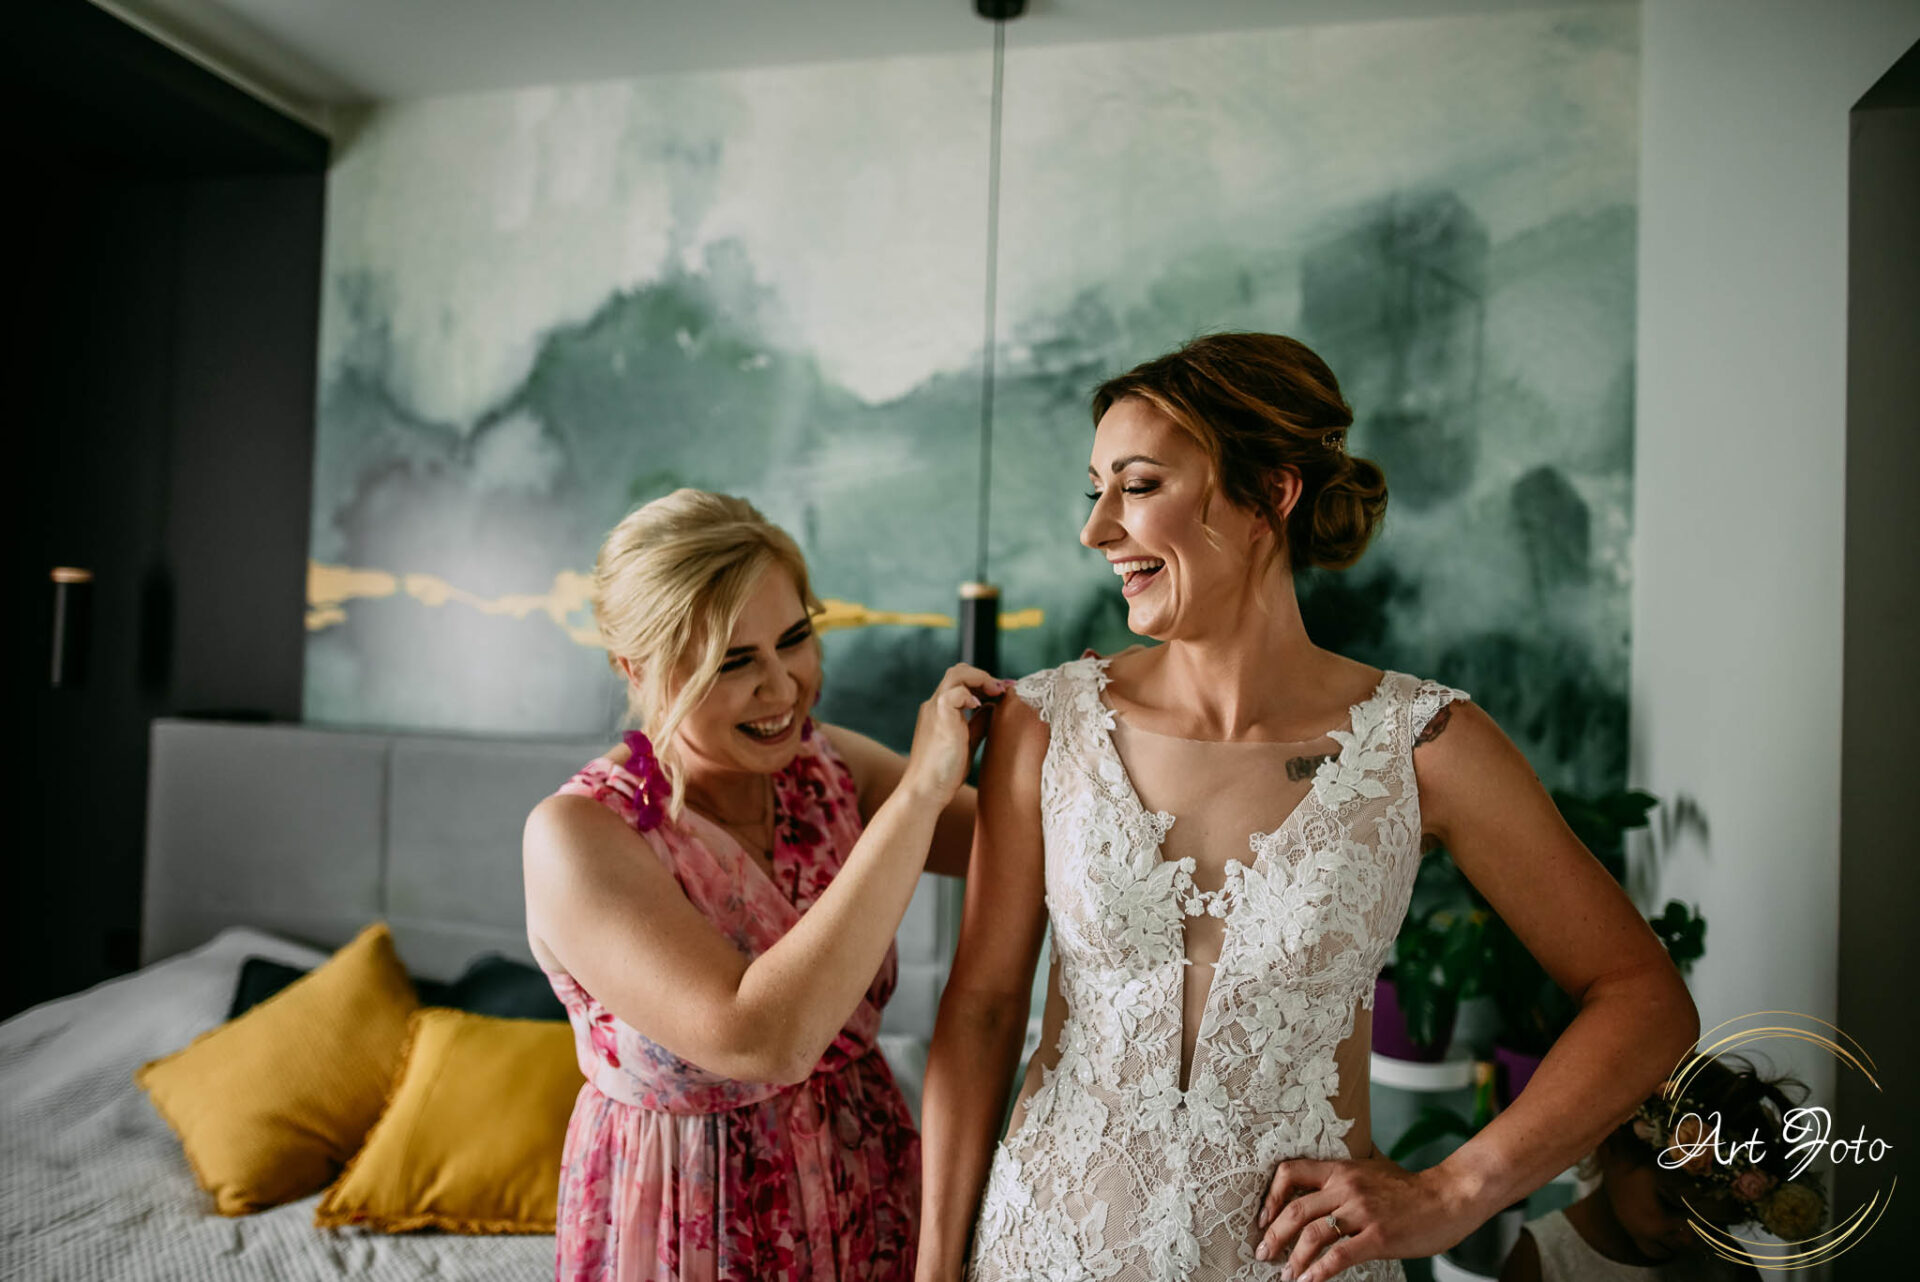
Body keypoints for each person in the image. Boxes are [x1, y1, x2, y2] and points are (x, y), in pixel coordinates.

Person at [915, 333, 1702, 1282]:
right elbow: (983, 1011)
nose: (1097, 531)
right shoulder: (1047, 724)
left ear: (1271, 495)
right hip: (1044, 1254)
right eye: (1095, 492)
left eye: (1138, 486)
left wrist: (1457, 1191)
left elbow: (1644, 1000)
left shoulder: (1423, 744)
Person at [523, 488, 1004, 1281]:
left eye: (795, 639)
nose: (782, 688)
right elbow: (761, 1040)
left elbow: (1041, 846)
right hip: (691, 1229)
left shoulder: (832, 770)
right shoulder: (580, 837)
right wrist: (920, 792)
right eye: (732, 661)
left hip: (870, 1192)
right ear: (635, 668)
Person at [1501, 1054, 1820, 1281]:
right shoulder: (1540, 1261)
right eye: (1671, 1205)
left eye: (1714, 1225)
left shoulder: (1725, 1268)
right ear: (1611, 1143)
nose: (1689, 1238)